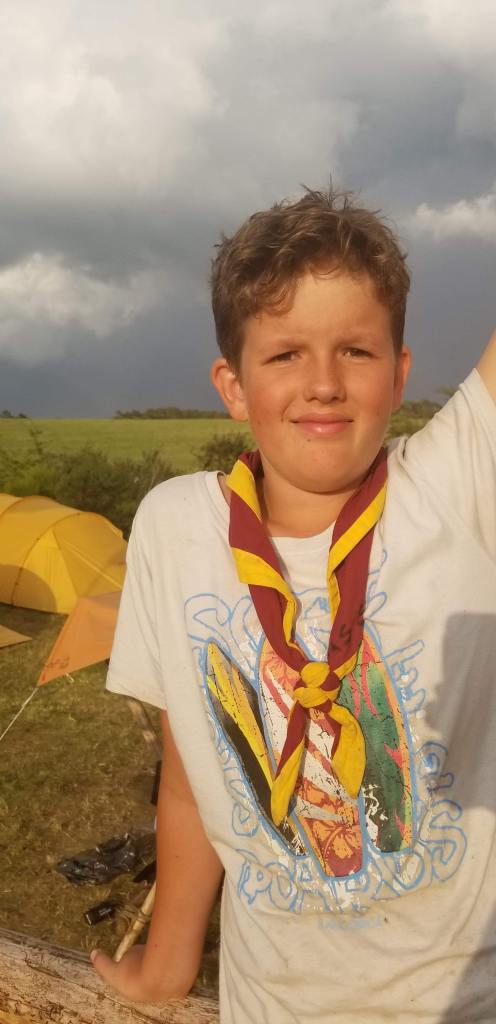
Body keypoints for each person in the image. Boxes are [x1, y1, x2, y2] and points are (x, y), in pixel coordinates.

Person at [91, 187, 496, 1023]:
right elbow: (192, 776)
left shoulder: (458, 485)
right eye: (283, 355)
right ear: (233, 385)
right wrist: (167, 963)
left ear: (400, 373)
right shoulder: (174, 528)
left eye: (356, 350)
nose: (323, 383)